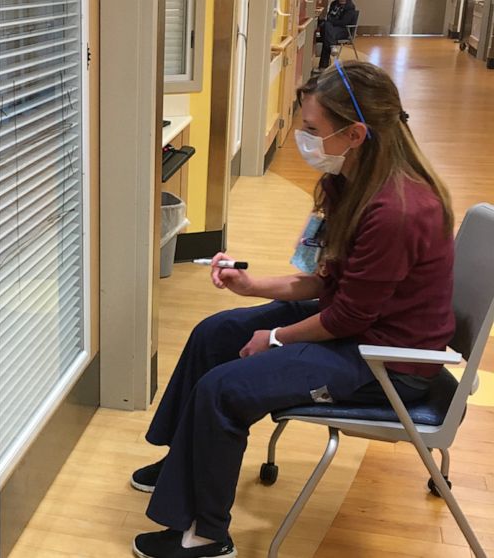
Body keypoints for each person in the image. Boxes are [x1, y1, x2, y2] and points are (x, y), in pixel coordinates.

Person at [129, 60, 455, 558]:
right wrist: (251, 284)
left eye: (311, 130)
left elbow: (347, 318)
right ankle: (182, 468)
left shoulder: (398, 212)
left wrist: (276, 340)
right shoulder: (348, 181)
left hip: (386, 361)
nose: (303, 139)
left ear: (355, 134)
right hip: (356, 327)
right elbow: (324, 279)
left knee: (225, 388)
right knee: (213, 333)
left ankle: (206, 535)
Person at [316, 0, 358, 71]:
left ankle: (323, 67)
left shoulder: (350, 6)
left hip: (344, 30)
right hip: (331, 29)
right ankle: (332, 46)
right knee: (327, 28)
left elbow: (344, 22)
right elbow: (329, 16)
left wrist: (331, 22)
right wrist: (331, 22)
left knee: (327, 33)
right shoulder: (334, 4)